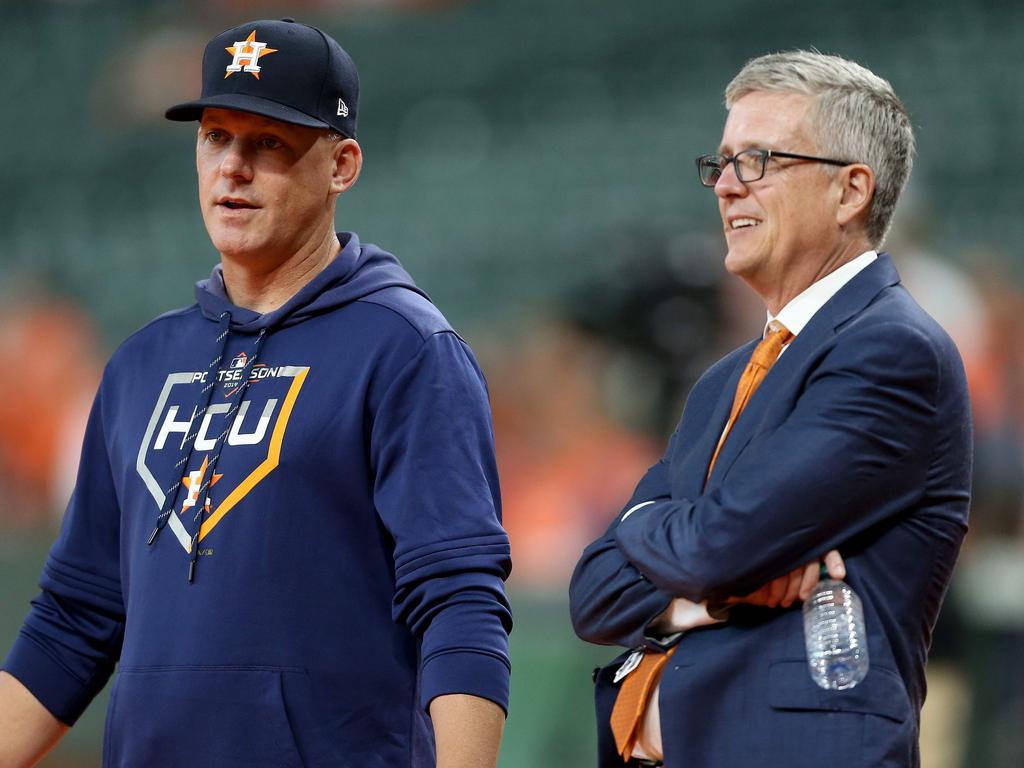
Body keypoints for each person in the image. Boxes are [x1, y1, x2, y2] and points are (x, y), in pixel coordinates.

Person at [0, 18, 512, 768]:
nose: (232, 168)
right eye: (215, 136)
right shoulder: (143, 364)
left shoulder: (404, 349)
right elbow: (74, 620)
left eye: (268, 143)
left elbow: (460, 602)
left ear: (342, 165)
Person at [569, 50, 971, 768]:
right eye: (721, 163)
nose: (724, 187)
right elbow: (593, 592)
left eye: (757, 161)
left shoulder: (892, 350)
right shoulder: (723, 380)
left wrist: (648, 528)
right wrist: (710, 595)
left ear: (850, 191)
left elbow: (714, 546)